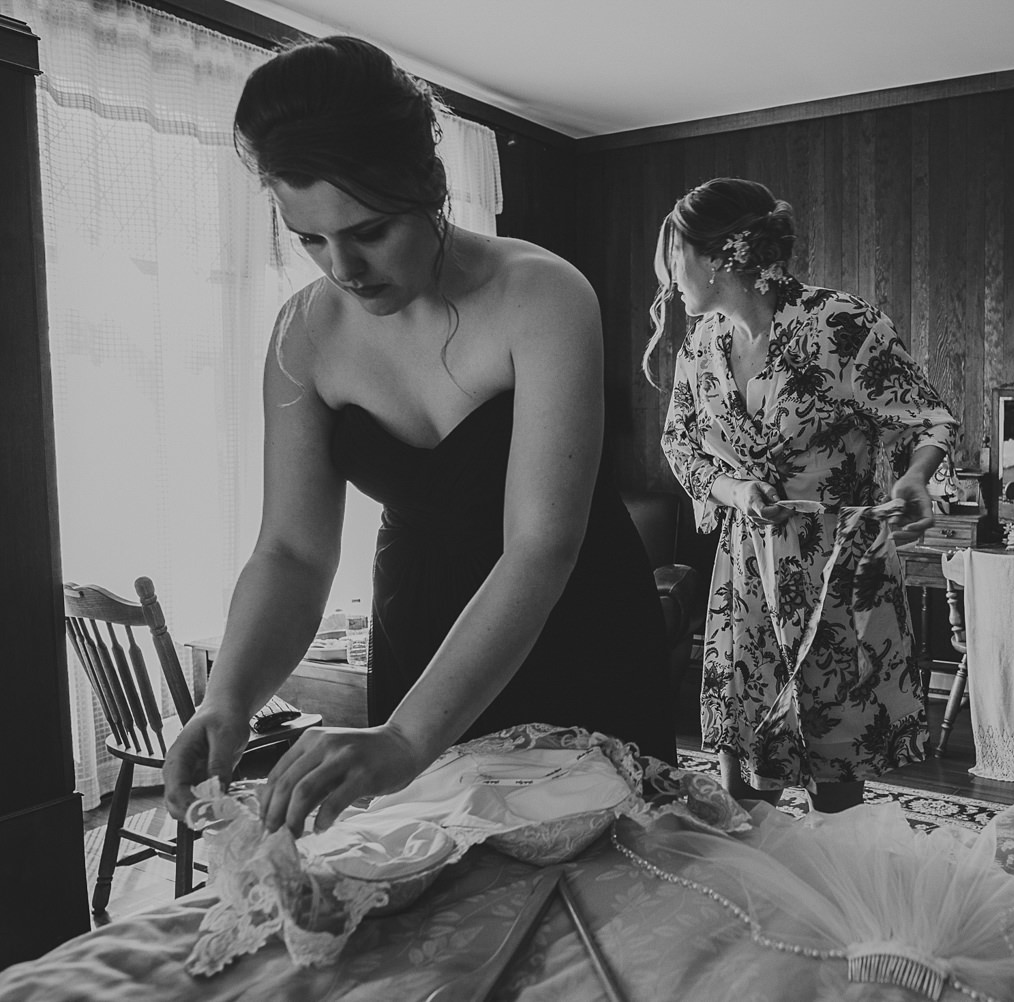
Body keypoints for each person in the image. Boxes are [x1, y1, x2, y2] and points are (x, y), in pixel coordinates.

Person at [162, 36, 675, 837]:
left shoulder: (541, 294)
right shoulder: (303, 335)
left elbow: (540, 546)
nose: (343, 267)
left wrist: (409, 734)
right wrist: (228, 699)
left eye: (368, 231)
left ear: (430, 187)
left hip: (576, 626)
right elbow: (291, 551)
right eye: (308, 239)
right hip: (422, 641)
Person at [647, 177, 958, 813]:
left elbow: (929, 418)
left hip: (836, 571)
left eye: (675, 254)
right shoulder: (700, 345)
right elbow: (679, 443)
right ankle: (761, 896)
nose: (668, 274)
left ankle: (831, 900)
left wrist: (913, 477)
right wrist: (733, 487)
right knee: (743, 763)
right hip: (746, 575)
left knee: (835, 759)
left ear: (720, 256)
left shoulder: (840, 325)